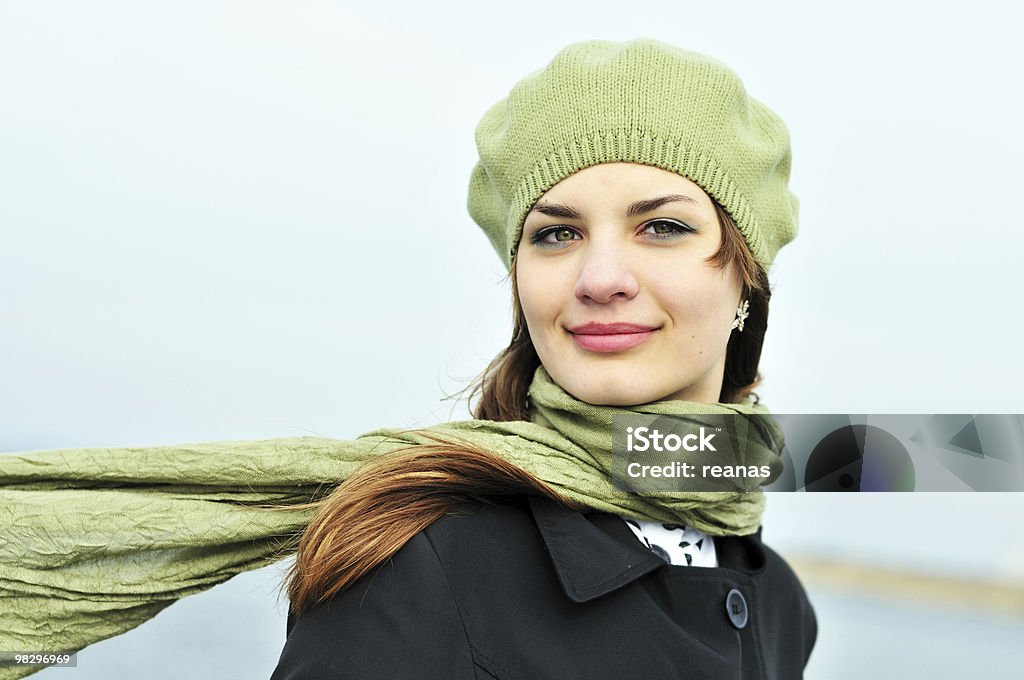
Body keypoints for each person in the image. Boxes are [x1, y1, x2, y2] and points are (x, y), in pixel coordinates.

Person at [268, 38, 817, 679]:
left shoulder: (778, 600)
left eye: (662, 227)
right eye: (557, 234)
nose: (600, 278)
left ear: (746, 280)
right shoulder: (418, 566)